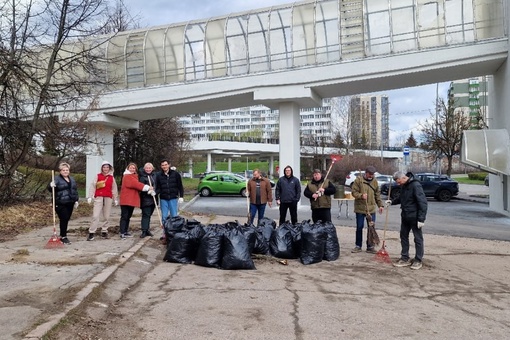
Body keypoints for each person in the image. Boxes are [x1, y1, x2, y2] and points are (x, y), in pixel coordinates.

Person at [388, 171, 428, 270]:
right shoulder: (404, 186)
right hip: (405, 216)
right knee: (403, 236)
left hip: (415, 217)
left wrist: (421, 219)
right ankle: (405, 257)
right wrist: (392, 202)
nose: (398, 184)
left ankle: (418, 260)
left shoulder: (415, 185)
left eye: (398, 181)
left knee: (417, 238)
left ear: (403, 178)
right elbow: (401, 198)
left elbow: (423, 203)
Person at [351, 166, 384, 254]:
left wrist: (380, 205)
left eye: (372, 175)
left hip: (371, 209)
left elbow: (377, 194)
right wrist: (361, 196)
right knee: (359, 227)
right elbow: (353, 192)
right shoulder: (358, 180)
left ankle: (370, 246)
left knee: (371, 228)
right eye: (370, 175)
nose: (371, 176)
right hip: (360, 209)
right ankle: (358, 246)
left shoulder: (375, 181)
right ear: (366, 173)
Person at [47, 162, 79, 245]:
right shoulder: (56, 179)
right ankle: (63, 236)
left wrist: (76, 200)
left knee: (66, 219)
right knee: (64, 218)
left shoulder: (72, 179)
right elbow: (50, 189)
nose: (65, 171)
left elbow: (74, 190)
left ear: (69, 171)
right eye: (63, 170)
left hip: (70, 202)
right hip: (60, 202)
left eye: (67, 170)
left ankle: (62, 234)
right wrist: (51, 186)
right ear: (60, 171)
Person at [86, 161, 118, 241]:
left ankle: (104, 230)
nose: (106, 169)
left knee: (106, 216)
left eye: (107, 167)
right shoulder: (98, 176)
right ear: (102, 168)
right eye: (104, 167)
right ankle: (92, 232)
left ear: (109, 168)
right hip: (99, 197)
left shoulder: (111, 178)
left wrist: (115, 198)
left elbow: (114, 189)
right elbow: (93, 186)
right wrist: (90, 196)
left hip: (108, 197)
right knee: (95, 215)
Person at [119, 162, 152, 239]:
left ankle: (125, 231)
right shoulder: (127, 176)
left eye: (134, 168)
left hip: (131, 200)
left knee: (128, 216)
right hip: (126, 200)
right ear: (128, 168)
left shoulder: (134, 176)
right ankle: (122, 232)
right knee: (124, 216)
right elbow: (135, 184)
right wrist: (147, 187)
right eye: (131, 168)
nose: (132, 169)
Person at [139, 162, 157, 238]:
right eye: (147, 168)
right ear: (144, 168)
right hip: (145, 199)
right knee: (146, 215)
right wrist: (147, 190)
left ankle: (147, 229)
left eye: (150, 168)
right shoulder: (142, 177)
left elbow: (157, 184)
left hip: (153, 199)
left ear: (152, 169)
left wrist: (155, 190)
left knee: (149, 215)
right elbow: (140, 187)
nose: (148, 169)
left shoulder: (155, 175)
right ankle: (144, 230)